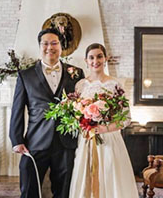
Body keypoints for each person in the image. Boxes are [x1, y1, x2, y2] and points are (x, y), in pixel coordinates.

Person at [9, 28, 84, 198]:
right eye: (45, 43)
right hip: (35, 141)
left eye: (54, 43)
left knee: (64, 190)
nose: (50, 47)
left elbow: (83, 106)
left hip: (66, 142)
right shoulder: (25, 75)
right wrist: (16, 139)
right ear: (40, 46)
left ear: (61, 46)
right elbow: (17, 110)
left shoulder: (77, 74)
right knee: (29, 188)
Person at [69, 43, 139, 198]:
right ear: (86, 61)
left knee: (109, 176)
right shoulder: (80, 85)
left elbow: (125, 119)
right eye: (91, 57)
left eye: (99, 56)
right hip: (87, 140)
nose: (96, 61)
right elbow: (75, 115)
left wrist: (103, 129)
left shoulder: (115, 84)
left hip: (109, 140)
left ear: (105, 58)